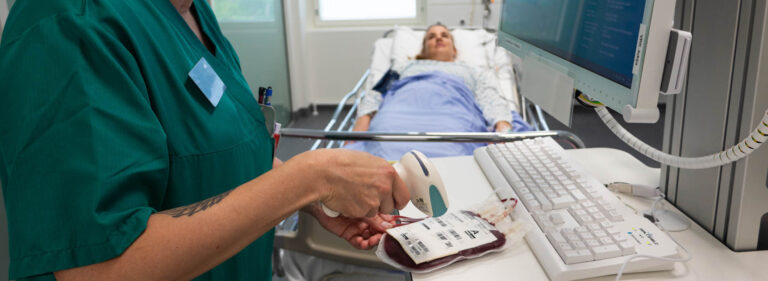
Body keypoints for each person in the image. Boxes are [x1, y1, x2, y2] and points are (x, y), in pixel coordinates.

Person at [0, 1, 409, 281]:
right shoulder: (70, 24)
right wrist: (309, 179)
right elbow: (97, 266)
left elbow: (223, 146)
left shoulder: (193, 12)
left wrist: (317, 200)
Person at [346, 24, 531, 160]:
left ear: (454, 49)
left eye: (444, 35)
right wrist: (358, 131)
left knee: (453, 151)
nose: (439, 38)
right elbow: (375, 95)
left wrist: (502, 129)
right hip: (396, 117)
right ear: (423, 49)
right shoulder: (403, 67)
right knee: (382, 147)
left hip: (453, 118)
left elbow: (491, 98)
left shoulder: (472, 71)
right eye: (431, 37)